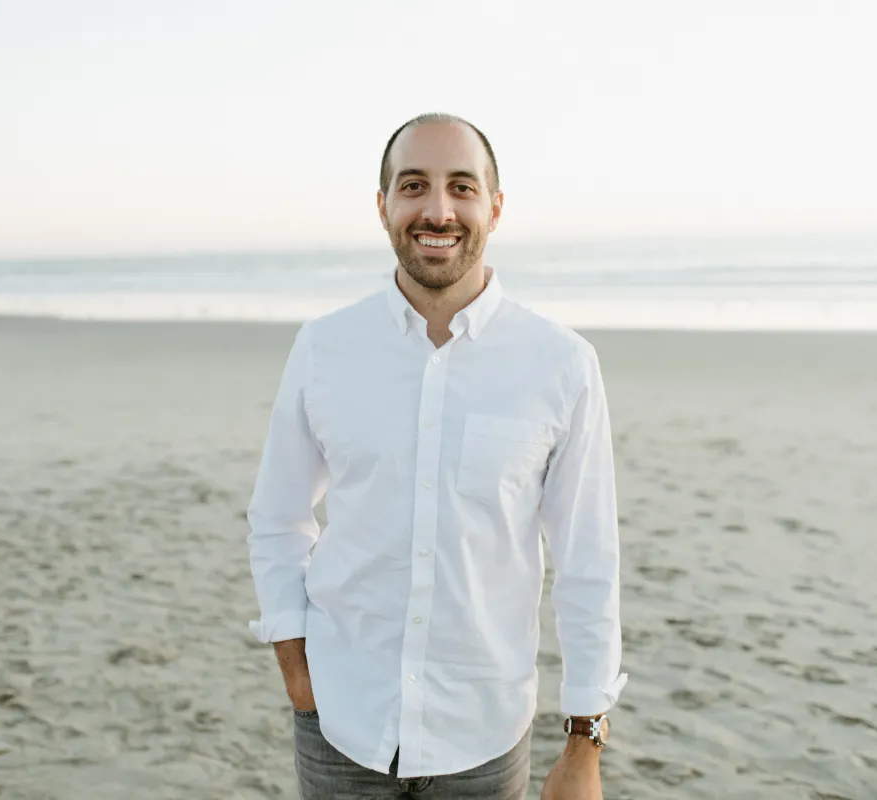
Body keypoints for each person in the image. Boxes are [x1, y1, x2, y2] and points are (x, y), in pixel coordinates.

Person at [246, 112, 627, 800]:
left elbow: (587, 561)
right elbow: (278, 517)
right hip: (341, 723)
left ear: (495, 207)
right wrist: (296, 668)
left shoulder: (561, 365)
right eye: (414, 185)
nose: (438, 210)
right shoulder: (325, 348)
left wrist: (584, 739)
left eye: (462, 187)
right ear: (384, 205)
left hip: (483, 735)